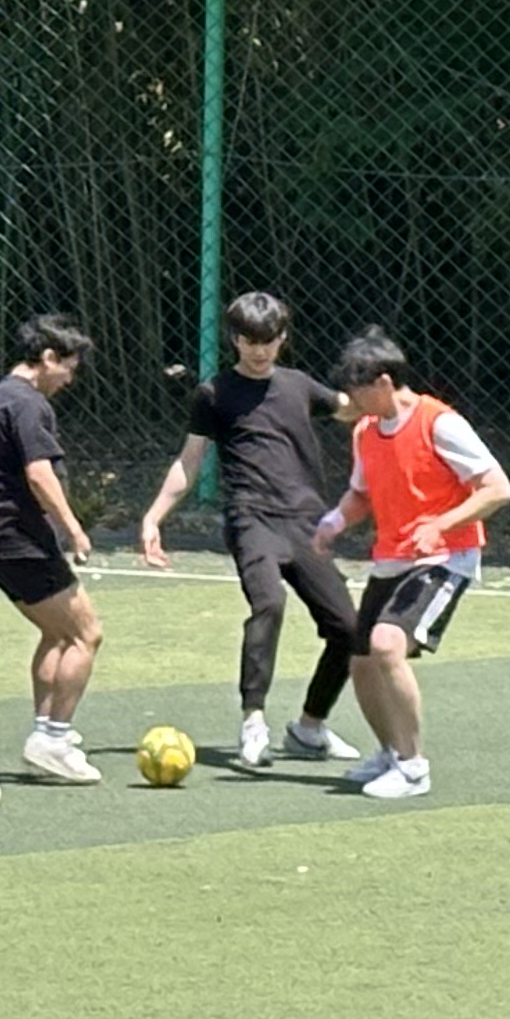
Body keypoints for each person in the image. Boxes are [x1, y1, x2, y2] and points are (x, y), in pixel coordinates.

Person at [140, 290, 365, 769]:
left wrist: (392, 402)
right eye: (249, 340)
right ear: (234, 339)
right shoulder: (214, 394)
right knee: (269, 603)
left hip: (305, 522)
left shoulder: (299, 386)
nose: (259, 350)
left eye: (268, 340)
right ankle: (253, 721)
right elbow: (190, 460)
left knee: (349, 628)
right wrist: (153, 517)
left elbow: (351, 407)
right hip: (251, 518)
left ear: (282, 338)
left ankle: (309, 728)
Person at [308, 330, 510, 797]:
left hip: (446, 557)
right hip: (393, 559)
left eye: (357, 390)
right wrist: (334, 522)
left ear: (383, 383)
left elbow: (497, 489)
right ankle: (391, 753)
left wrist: (441, 524)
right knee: (360, 660)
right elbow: (361, 494)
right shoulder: (366, 432)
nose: (350, 401)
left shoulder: (440, 424)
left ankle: (414, 768)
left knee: (386, 644)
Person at [0, 314, 102, 783]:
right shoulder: (28, 404)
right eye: (68, 367)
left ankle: (46, 731)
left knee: (57, 634)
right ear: (48, 358)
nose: (69, 379)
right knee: (86, 634)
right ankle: (53, 738)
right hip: (20, 539)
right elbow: (39, 473)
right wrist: (74, 529)